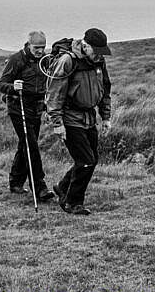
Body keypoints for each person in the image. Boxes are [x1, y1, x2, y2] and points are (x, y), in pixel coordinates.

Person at [46, 28, 112, 215]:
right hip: (70, 118)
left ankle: (62, 187)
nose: (100, 56)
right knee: (86, 161)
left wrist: (106, 116)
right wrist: (57, 123)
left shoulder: (99, 61)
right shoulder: (68, 60)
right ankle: (72, 202)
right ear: (86, 45)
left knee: (91, 159)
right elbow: (54, 93)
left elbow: (105, 89)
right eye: (96, 51)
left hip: (89, 118)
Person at [0, 30, 54, 201]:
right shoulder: (16, 59)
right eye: (37, 47)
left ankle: (15, 182)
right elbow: (1, 84)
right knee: (31, 146)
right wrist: (13, 86)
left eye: (43, 47)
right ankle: (40, 188)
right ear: (28, 45)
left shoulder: (46, 60)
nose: (40, 51)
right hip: (18, 107)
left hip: (36, 108)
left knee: (26, 144)